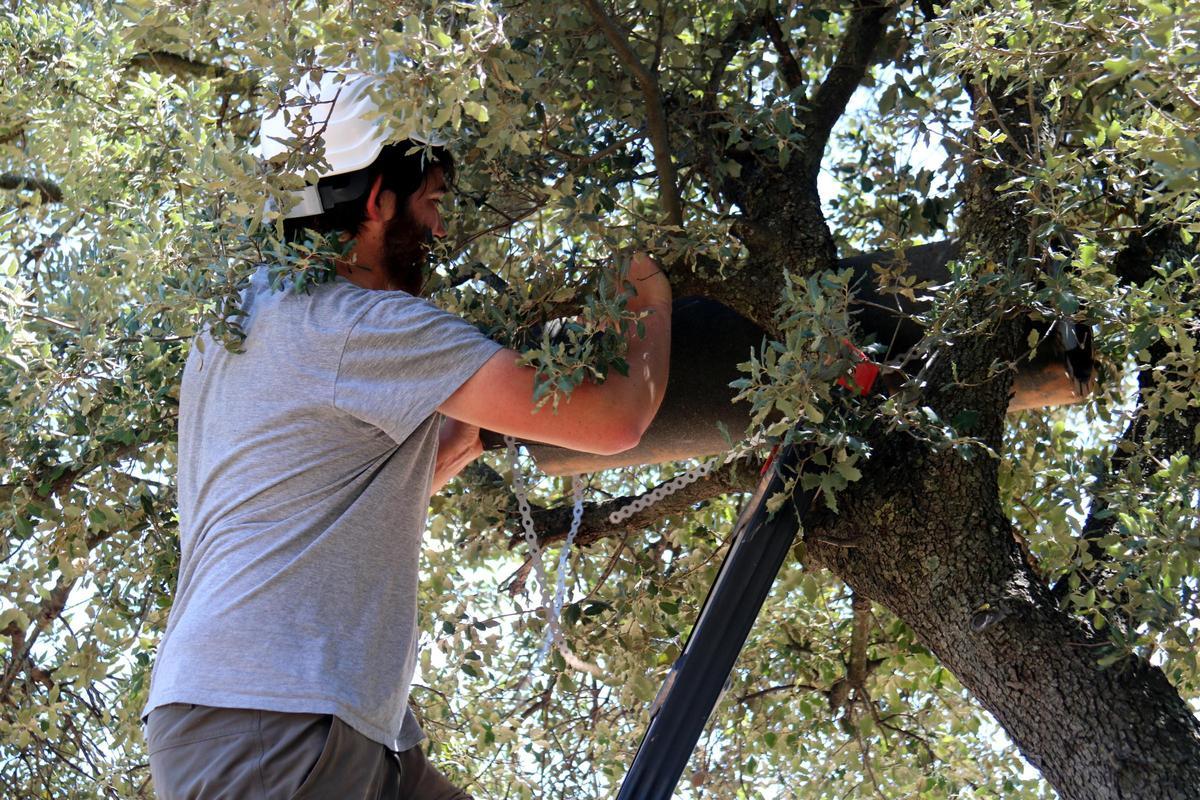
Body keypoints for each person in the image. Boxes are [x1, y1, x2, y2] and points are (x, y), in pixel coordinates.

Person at [139, 71, 672, 799]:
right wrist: (647, 296)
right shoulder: (353, 324)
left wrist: (496, 417)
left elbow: (411, 463)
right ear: (377, 201)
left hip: (312, 718)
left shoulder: (246, 321)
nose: (442, 231)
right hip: (274, 724)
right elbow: (616, 420)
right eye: (432, 203)